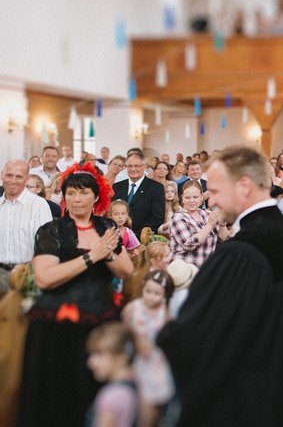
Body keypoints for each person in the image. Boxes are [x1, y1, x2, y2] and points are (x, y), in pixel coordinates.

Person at [157, 145, 283, 426]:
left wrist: (162, 333)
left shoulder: (247, 248)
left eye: (215, 192)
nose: (211, 201)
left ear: (243, 186)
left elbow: (201, 334)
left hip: (246, 401)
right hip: (280, 390)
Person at [18, 162, 133, 426]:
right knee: (56, 396)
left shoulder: (106, 227)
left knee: (93, 394)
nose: (76, 198)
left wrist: (108, 252)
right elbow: (46, 278)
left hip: (99, 323)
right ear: (64, 197)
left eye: (83, 193)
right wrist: (93, 256)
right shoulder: (51, 230)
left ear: (96, 198)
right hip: (57, 323)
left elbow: (125, 271)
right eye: (71, 193)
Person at [122, 270, 175, 426]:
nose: (151, 296)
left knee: (153, 410)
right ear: (142, 287)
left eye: (157, 293)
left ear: (166, 295)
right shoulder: (133, 308)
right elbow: (123, 331)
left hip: (156, 364)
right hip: (136, 361)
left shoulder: (165, 312)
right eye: (148, 291)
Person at [0, 161, 52, 295]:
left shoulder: (39, 205)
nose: (13, 181)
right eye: (9, 175)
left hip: (28, 274)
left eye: (19, 177)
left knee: (25, 315)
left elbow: (46, 245)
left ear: (27, 179)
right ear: (2, 175)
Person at [86, 322, 139, 427]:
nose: (90, 363)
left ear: (122, 355)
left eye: (99, 354)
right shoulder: (142, 387)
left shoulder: (112, 395)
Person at [169, 180, 224, 267]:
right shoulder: (178, 217)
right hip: (185, 272)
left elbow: (223, 238)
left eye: (195, 197)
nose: (191, 201)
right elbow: (189, 245)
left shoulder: (205, 214)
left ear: (201, 197)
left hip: (206, 270)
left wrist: (222, 223)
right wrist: (209, 224)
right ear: (182, 198)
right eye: (187, 197)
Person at [112, 152, 165, 236]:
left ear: (144, 167)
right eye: (129, 166)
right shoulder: (117, 187)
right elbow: (111, 212)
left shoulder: (156, 188)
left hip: (141, 239)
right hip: (117, 237)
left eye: (136, 166)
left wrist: (135, 237)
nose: (133, 169)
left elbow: (157, 218)